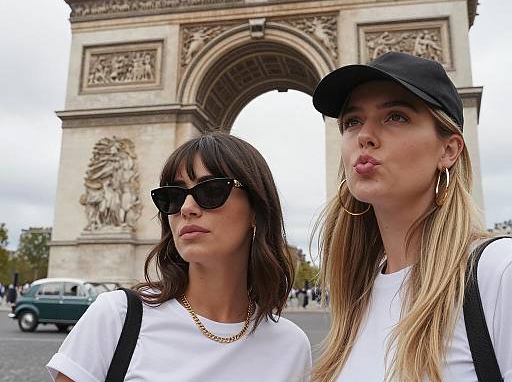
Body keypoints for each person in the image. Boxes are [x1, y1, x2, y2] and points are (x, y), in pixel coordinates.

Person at [310, 52, 512, 381]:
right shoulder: (358, 293)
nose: (365, 135)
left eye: (396, 117)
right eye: (352, 121)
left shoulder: (499, 274)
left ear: (449, 150)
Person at [47, 131, 311, 382]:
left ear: (256, 208)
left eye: (210, 191)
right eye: (172, 196)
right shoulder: (116, 317)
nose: (186, 208)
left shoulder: (292, 347)